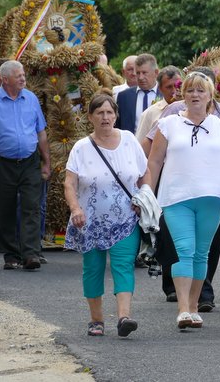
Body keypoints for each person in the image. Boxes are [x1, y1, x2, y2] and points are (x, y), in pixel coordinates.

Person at [147, 71, 220, 329]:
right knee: (185, 250)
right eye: (190, 90)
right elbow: (154, 161)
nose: (195, 95)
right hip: (177, 197)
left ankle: (193, 307)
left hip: (213, 198)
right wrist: (147, 191)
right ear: (183, 95)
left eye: (200, 90)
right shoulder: (168, 124)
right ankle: (182, 309)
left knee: (202, 253)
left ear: (210, 95)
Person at [63, 94, 150, 337]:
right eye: (99, 113)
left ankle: (124, 317)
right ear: (90, 117)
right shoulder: (80, 148)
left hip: (125, 219)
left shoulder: (130, 141)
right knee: (93, 268)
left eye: (109, 112)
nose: (105, 117)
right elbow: (69, 183)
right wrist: (75, 209)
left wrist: (144, 197)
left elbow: (145, 174)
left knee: (123, 266)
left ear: (116, 115)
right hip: (89, 221)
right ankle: (96, 320)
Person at [0, 60, 50, 270]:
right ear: (5, 79)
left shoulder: (30, 98)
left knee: (31, 206)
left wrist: (46, 162)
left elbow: (41, 133)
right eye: (18, 75)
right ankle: (11, 254)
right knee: (5, 207)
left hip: (30, 161)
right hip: (2, 162)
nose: (23, 78)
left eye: (23, 74)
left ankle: (31, 253)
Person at [135, 65, 182, 143]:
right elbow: (140, 145)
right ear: (160, 89)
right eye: (169, 87)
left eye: (178, 86)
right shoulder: (150, 113)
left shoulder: (192, 109)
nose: (174, 90)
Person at [116, 54, 160, 133]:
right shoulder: (124, 97)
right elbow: (117, 127)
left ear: (156, 73)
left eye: (144, 73)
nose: (140, 77)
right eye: (138, 73)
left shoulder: (165, 95)